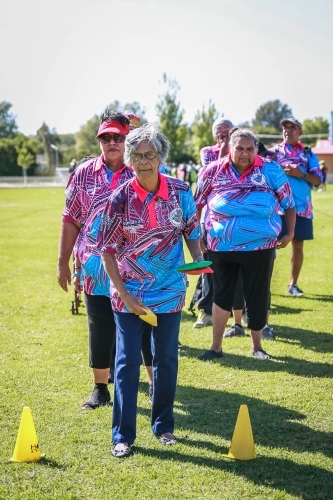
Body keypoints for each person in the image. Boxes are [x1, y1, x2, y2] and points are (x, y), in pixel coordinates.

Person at [96, 124, 202, 458]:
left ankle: (164, 426)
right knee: (126, 362)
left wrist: (197, 259)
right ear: (128, 159)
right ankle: (122, 436)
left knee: (166, 359)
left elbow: (191, 229)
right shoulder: (119, 199)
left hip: (170, 290)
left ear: (160, 157)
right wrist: (124, 294)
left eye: (150, 154)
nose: (144, 161)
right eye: (138, 155)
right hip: (129, 294)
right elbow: (107, 250)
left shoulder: (180, 191)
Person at [57, 110, 136, 409]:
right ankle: (100, 388)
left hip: (133, 266)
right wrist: (62, 261)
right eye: (106, 137)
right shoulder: (84, 173)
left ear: (127, 139)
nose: (112, 142)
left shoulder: (140, 170)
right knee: (100, 323)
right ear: (99, 140)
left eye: (118, 137)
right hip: (94, 265)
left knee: (132, 324)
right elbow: (70, 219)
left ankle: (141, 380)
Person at [195, 128, 296, 361]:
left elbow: (289, 203)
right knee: (221, 296)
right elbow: (196, 204)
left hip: (260, 248)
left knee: (257, 296)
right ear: (230, 148)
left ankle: (257, 346)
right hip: (221, 246)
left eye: (249, 149)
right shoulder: (212, 170)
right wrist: (197, 235)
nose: (244, 153)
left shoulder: (270, 169)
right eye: (239, 148)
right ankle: (216, 347)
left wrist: (289, 233)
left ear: (255, 149)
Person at [274, 118, 323, 296]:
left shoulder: (308, 154)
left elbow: (318, 181)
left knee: (298, 245)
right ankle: (263, 286)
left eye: (292, 127)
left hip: (301, 208)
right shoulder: (273, 153)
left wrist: (300, 173)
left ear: (300, 131)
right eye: (285, 127)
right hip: (276, 208)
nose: (288, 130)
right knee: (268, 247)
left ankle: (293, 284)